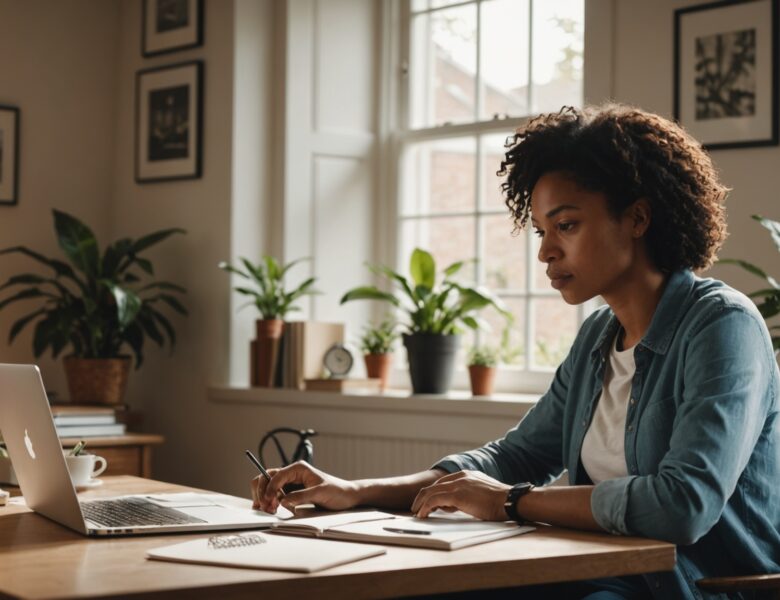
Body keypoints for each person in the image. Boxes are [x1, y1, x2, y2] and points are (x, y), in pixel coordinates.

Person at [251, 104, 780, 600]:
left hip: (695, 586)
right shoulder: (598, 336)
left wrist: (508, 501)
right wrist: (355, 490)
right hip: (599, 570)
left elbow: (682, 505)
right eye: (542, 231)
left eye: (566, 226)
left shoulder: (721, 326)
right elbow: (513, 456)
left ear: (638, 218)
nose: (547, 251)